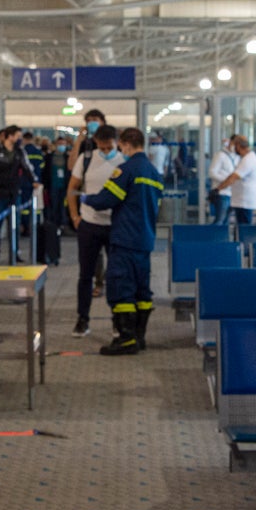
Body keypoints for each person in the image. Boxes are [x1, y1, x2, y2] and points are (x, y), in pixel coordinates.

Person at [79, 127, 163, 355]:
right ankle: (139, 336)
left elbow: (107, 199)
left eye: (121, 147)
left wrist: (86, 198)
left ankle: (126, 339)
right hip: (145, 239)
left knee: (121, 287)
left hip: (125, 238)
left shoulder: (125, 170)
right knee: (142, 290)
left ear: (125, 144)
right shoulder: (155, 173)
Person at [67, 124, 122, 337]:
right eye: (103, 147)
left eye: (110, 147)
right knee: (85, 275)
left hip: (115, 225)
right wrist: (75, 217)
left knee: (117, 275)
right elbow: (72, 188)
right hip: (89, 224)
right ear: (97, 143)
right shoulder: (86, 159)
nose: (107, 151)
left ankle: (118, 320)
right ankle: (83, 319)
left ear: (117, 143)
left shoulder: (124, 161)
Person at [0, 124, 34, 263]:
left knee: (14, 225)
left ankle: (14, 253)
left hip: (13, 193)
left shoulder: (19, 152)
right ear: (9, 136)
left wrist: (34, 181)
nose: (19, 139)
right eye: (17, 136)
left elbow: (27, 167)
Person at [215, 134, 256, 225]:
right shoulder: (245, 158)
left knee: (244, 230)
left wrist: (218, 189)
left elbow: (233, 177)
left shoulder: (249, 160)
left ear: (239, 146)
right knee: (240, 229)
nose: (233, 148)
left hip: (245, 202)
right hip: (241, 201)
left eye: (234, 146)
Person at [207, 136, 236, 226]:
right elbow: (212, 172)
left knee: (226, 221)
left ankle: (223, 239)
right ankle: (213, 239)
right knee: (220, 219)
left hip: (231, 193)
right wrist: (228, 180)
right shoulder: (220, 155)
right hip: (221, 193)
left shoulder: (235, 157)